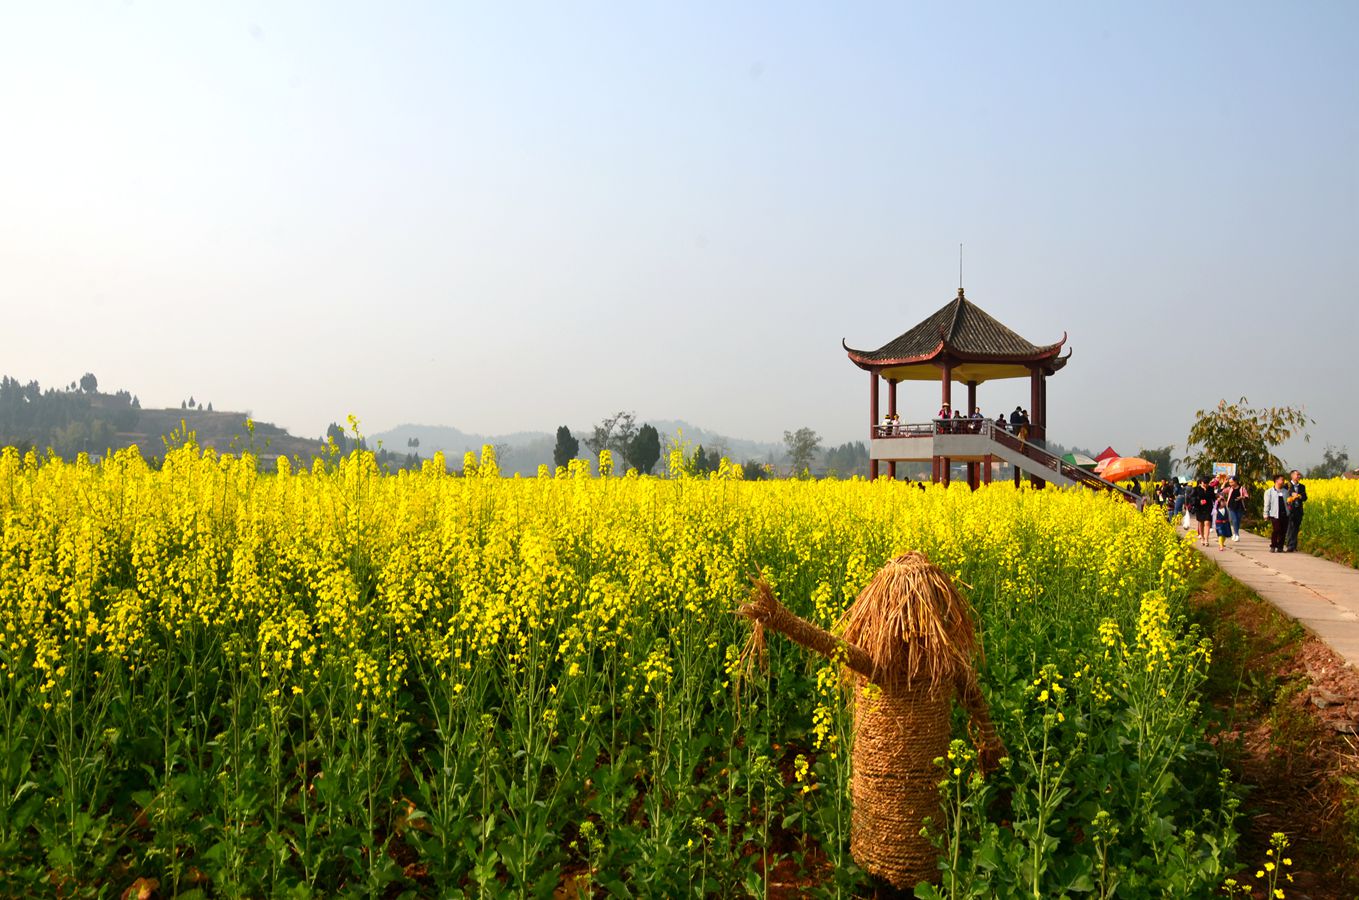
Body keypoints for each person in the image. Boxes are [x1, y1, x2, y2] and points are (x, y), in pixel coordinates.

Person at [1263, 474, 1289, 553]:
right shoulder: (1269, 492)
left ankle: (1280, 547)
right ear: (1276, 481)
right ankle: (1273, 546)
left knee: (1283, 531)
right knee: (1276, 530)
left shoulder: (1285, 491)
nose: (1283, 481)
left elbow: (1288, 502)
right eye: (1281, 480)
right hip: (1274, 514)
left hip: (1284, 513)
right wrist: (1265, 514)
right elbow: (1267, 504)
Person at [1284, 469, 1307, 552]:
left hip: (1298, 510)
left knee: (1296, 528)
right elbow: (1284, 496)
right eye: (1297, 475)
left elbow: (1305, 498)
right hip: (1290, 510)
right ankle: (1290, 545)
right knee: (1290, 527)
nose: (1299, 476)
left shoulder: (1302, 486)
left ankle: (1294, 545)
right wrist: (1291, 494)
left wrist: (1300, 496)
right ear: (1292, 476)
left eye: (1299, 475)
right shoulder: (1286, 485)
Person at [1189, 477, 1215, 546]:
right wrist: (1199, 502)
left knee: (1207, 523)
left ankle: (1206, 539)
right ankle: (1202, 537)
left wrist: (1218, 499)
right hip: (1199, 508)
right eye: (1204, 483)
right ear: (1201, 483)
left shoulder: (1211, 489)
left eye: (1207, 484)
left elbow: (1213, 497)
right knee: (1201, 523)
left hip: (1208, 508)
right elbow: (1191, 498)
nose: (1206, 485)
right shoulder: (1196, 489)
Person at [1222, 476, 1248, 542]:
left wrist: (1242, 497)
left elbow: (1247, 496)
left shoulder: (1242, 489)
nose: (1231, 484)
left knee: (1238, 521)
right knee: (1234, 520)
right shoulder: (1230, 488)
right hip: (1231, 506)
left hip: (1239, 507)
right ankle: (1237, 534)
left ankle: (1235, 533)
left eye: (1232, 482)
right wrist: (1224, 483)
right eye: (1230, 482)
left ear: (1236, 481)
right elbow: (1221, 491)